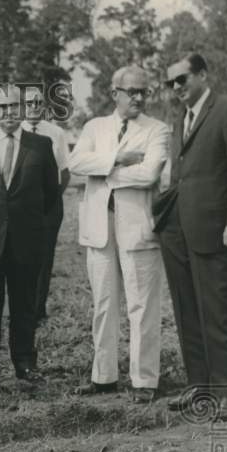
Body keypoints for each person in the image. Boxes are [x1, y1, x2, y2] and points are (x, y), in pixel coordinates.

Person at [158, 53, 227, 421]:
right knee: (188, 311)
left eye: (182, 79)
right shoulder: (179, 120)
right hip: (178, 230)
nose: (176, 88)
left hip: (218, 230)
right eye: (171, 83)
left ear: (202, 74)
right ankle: (199, 386)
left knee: (218, 311)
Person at [68, 65, 171, 404]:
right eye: (132, 91)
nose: (139, 97)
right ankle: (104, 376)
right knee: (104, 304)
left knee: (142, 305)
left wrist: (105, 172)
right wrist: (119, 159)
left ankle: (144, 380)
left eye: (144, 91)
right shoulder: (95, 127)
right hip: (99, 228)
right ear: (115, 93)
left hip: (138, 228)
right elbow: (76, 163)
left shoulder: (158, 130)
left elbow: (150, 173)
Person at [0, 86, 57, 387]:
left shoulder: (41, 145)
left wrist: (39, 236)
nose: (10, 113)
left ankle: (25, 363)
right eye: (2, 107)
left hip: (26, 242)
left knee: (25, 306)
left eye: (15, 106)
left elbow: (51, 199)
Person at [23, 84, 71, 323]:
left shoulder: (55, 133)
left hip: (48, 206)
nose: (33, 107)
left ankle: (37, 309)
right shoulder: (13, 129)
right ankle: (19, 307)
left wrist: (50, 198)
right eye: (29, 102)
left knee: (43, 257)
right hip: (20, 206)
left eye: (38, 103)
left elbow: (65, 172)